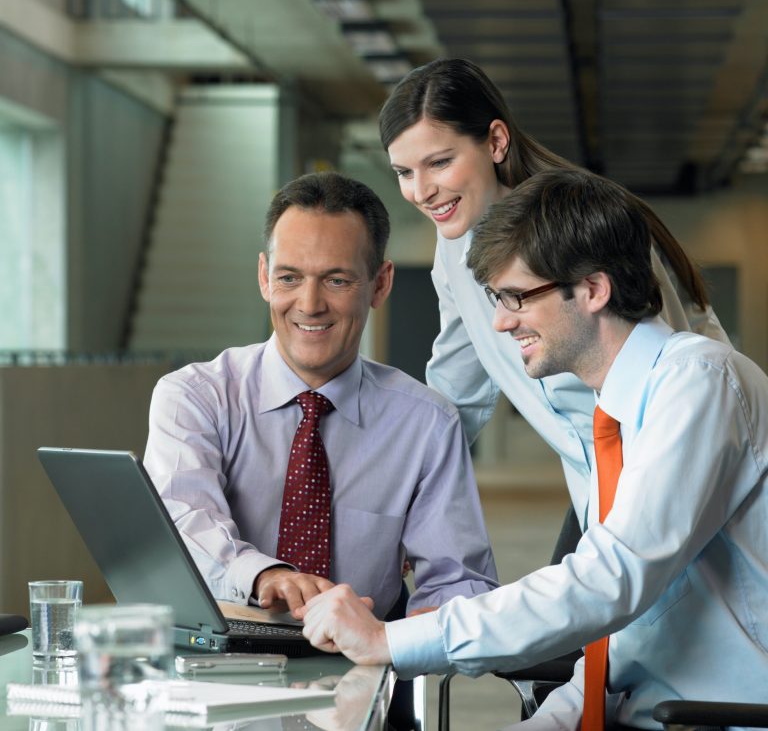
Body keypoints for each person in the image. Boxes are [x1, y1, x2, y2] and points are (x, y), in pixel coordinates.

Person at [300, 169, 768, 730]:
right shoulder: (613, 421)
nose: (500, 322)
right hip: (648, 710)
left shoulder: (700, 383)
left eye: (517, 297)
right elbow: (624, 639)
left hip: (720, 720)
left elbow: (610, 582)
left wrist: (390, 640)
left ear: (593, 290)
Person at [378, 58, 728, 523]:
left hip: (673, 478)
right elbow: (457, 391)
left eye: (439, 163)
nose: (421, 191)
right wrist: (401, 501)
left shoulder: (588, 226)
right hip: (595, 485)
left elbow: (679, 378)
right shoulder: (454, 252)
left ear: (496, 142)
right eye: (404, 173)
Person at [143, 171, 498, 623]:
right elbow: (184, 523)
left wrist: (412, 635)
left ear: (381, 284)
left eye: (336, 281)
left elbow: (460, 581)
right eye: (289, 278)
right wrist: (264, 576)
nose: (310, 304)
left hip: (363, 662)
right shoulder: (194, 398)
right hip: (218, 660)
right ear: (264, 278)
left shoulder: (427, 423)